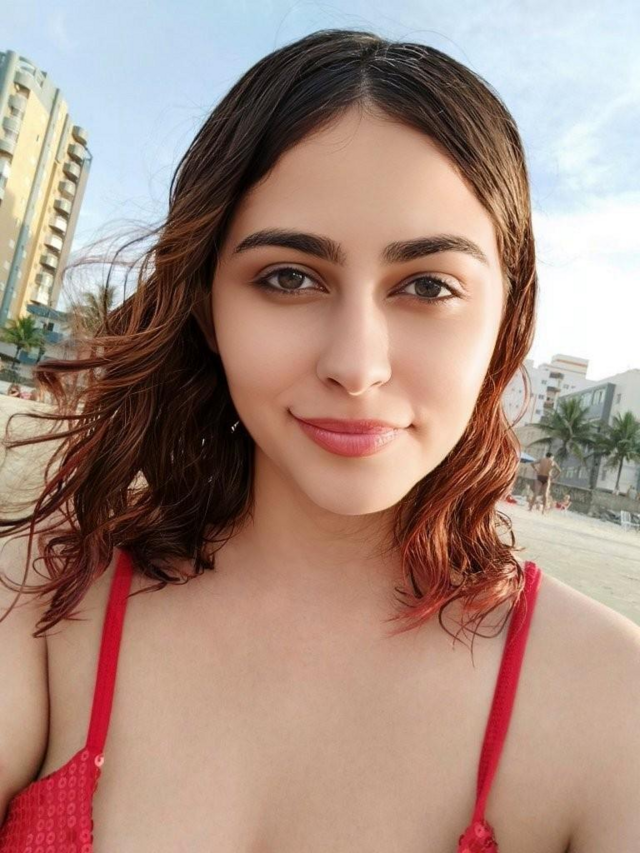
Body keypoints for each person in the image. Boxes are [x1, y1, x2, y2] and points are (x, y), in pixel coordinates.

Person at [0, 29, 638, 853]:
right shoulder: (44, 601)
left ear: (505, 324)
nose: (356, 364)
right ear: (207, 305)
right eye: (289, 277)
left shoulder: (610, 700)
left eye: (428, 286)